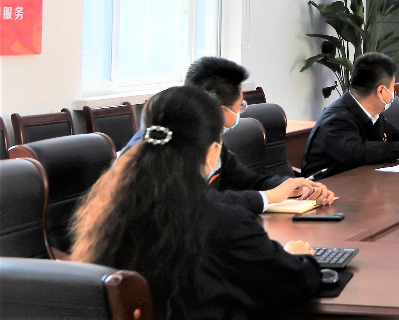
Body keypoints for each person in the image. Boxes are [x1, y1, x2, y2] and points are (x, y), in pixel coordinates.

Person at [73, 86, 322, 319]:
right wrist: (298, 257)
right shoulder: (225, 224)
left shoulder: (106, 216)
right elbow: (295, 284)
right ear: (213, 151)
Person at [125, 56, 335, 213]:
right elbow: (197, 202)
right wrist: (268, 197)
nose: (241, 113)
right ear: (217, 109)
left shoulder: (211, 140)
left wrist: (293, 186)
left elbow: (246, 181)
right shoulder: (161, 145)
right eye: (240, 106)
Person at [301, 52, 399, 178]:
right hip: (327, 190)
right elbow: (358, 153)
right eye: (393, 88)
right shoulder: (336, 119)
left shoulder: (371, 113)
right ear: (381, 91)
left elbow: (397, 135)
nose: (394, 94)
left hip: (361, 183)